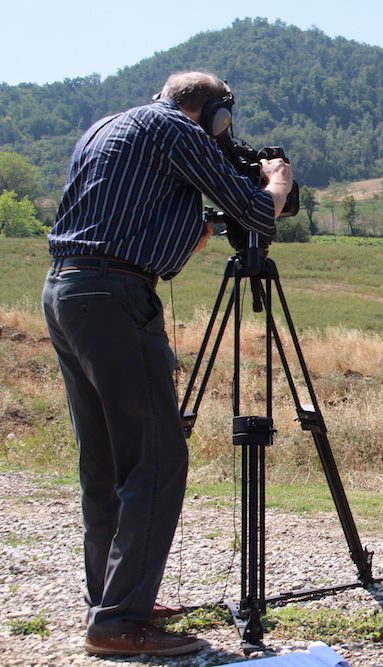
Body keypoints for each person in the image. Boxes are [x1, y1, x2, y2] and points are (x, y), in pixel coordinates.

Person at [41, 71, 293, 656]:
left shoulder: (110, 127)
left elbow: (155, 223)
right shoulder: (179, 131)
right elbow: (256, 214)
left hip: (68, 291)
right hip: (115, 296)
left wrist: (200, 217)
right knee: (156, 460)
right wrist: (276, 181)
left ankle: (111, 601)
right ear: (213, 114)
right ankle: (119, 625)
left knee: (105, 463)